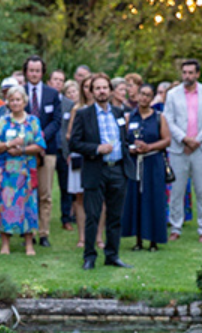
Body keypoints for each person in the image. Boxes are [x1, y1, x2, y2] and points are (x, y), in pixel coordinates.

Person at [69, 72, 136, 270]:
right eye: (97, 88)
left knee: (115, 216)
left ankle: (112, 255)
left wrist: (128, 149)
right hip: (95, 169)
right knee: (93, 215)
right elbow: (74, 142)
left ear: (110, 90)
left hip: (118, 170)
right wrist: (97, 149)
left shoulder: (118, 113)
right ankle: (89, 256)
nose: (101, 91)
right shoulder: (83, 114)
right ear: (91, 91)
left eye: (105, 87)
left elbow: (124, 138)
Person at [163, 59, 202, 242]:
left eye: (191, 73)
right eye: (184, 72)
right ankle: (175, 227)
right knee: (177, 190)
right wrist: (184, 139)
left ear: (197, 74)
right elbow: (168, 119)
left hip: (201, 148)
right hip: (179, 147)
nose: (187, 76)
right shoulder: (172, 94)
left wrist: (197, 140)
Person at [0, 85, 46, 255]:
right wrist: (9, 145)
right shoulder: (3, 121)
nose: (15, 103)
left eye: (18, 100)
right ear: (8, 102)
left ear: (24, 102)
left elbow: (40, 145)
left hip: (25, 172)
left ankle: (29, 244)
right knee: (4, 204)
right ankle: (5, 244)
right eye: (12, 100)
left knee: (28, 205)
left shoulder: (33, 121)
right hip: (5, 173)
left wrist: (21, 150)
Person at [122, 84, 171, 251]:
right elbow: (123, 140)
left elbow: (167, 140)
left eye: (148, 95)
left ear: (152, 99)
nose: (144, 98)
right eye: (142, 94)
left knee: (154, 199)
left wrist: (149, 147)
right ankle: (138, 240)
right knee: (136, 199)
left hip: (153, 162)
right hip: (135, 163)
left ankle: (154, 240)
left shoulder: (159, 117)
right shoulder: (130, 117)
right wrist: (132, 148)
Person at [24, 55, 63, 247]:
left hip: (47, 150)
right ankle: (27, 232)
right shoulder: (19, 92)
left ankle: (44, 233)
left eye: (37, 70)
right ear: (26, 72)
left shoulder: (52, 94)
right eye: (31, 70)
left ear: (42, 72)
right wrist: (31, 141)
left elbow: (57, 121)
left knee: (45, 193)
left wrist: (40, 140)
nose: (34, 74)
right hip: (24, 151)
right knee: (26, 192)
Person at [67, 77, 94, 248]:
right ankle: (82, 237)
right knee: (80, 197)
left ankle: (98, 237)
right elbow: (69, 135)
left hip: (98, 156)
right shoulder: (77, 109)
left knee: (99, 197)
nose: (89, 90)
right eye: (85, 86)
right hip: (80, 155)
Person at [57, 79, 77, 232]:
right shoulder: (52, 102)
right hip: (52, 149)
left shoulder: (71, 106)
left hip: (67, 151)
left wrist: (68, 151)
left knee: (67, 186)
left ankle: (68, 217)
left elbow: (70, 132)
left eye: (60, 80)